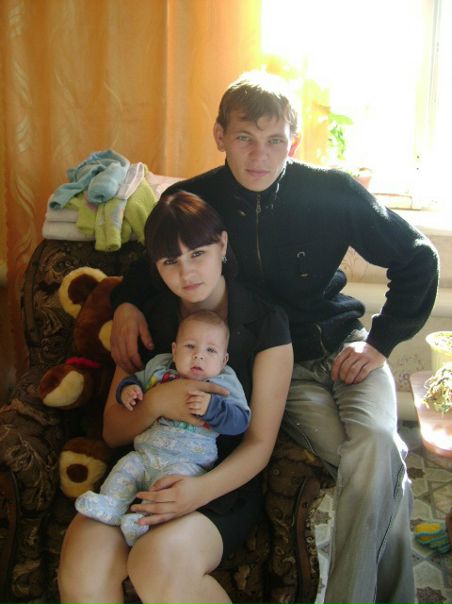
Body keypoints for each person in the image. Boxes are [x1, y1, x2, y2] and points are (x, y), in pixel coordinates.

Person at [108, 71, 440, 604]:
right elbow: (155, 262)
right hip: (282, 369)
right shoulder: (197, 198)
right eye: (244, 138)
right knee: (376, 467)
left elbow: (419, 258)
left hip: (347, 347)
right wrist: (124, 303)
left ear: (295, 142)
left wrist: (380, 342)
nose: (259, 156)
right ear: (220, 135)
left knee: (378, 447)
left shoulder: (332, 193)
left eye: (275, 141)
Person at [58, 191, 293, 604]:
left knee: (157, 562)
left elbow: (259, 443)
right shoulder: (145, 318)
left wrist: (198, 492)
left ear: (222, 245)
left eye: (198, 253)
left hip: (220, 484)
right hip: (139, 471)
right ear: (156, 265)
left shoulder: (267, 323)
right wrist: (156, 403)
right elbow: (113, 431)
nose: (187, 273)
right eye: (170, 261)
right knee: (83, 568)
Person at [75, 309, 251, 547]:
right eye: (190, 346)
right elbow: (133, 380)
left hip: (187, 463)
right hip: (145, 454)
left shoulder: (225, 381)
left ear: (223, 360)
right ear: (174, 351)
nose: (199, 356)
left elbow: (241, 421)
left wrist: (213, 408)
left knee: (169, 486)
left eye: (211, 350)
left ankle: (142, 520)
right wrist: (128, 391)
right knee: (126, 466)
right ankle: (111, 504)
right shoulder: (159, 368)